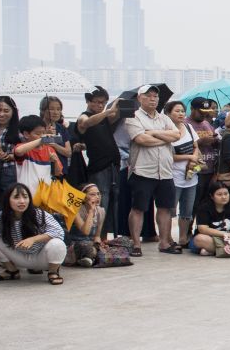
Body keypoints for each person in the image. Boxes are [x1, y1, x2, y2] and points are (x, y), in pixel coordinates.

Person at [123, 85, 179, 256]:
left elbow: (176, 135)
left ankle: (164, 242)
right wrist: (164, 138)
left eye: (155, 96)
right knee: (138, 208)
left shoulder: (164, 118)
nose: (153, 99)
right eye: (149, 96)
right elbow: (141, 139)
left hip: (165, 171)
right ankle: (136, 244)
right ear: (140, 98)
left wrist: (153, 132)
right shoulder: (133, 117)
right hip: (142, 170)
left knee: (165, 208)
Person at [0, 183, 67, 285]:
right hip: (19, 258)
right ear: (7, 200)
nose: (22, 201)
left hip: (42, 258)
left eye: (25, 197)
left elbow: (59, 232)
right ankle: (12, 271)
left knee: (57, 243)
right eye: (16, 197)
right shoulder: (1, 217)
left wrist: (33, 239)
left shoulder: (39, 214)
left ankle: (53, 272)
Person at [75, 87, 121, 236]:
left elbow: (114, 118)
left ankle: (106, 236)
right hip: (98, 167)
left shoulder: (104, 119)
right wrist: (107, 111)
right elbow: (85, 123)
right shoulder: (84, 116)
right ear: (88, 101)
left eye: (104, 103)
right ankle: (97, 237)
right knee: (100, 203)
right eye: (97, 102)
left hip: (113, 165)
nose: (100, 105)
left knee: (113, 203)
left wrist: (120, 109)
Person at [166, 101, 201, 250]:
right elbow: (168, 155)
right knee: (169, 210)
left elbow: (196, 147)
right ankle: (167, 238)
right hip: (173, 177)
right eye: (177, 111)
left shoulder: (188, 127)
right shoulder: (166, 130)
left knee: (187, 210)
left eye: (182, 111)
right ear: (168, 113)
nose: (181, 114)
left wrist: (193, 158)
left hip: (191, 176)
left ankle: (182, 238)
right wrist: (188, 158)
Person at [190, 182, 230, 256]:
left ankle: (213, 251)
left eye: (226, 194)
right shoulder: (204, 207)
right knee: (199, 239)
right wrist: (223, 234)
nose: (224, 197)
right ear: (212, 196)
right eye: (219, 194)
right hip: (210, 238)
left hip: (229, 239)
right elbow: (203, 229)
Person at [13, 115, 63, 188]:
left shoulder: (49, 149)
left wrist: (55, 161)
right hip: (27, 195)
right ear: (26, 134)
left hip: (45, 195)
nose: (42, 136)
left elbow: (58, 173)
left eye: (43, 133)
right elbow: (18, 151)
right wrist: (41, 140)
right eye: (38, 133)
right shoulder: (23, 147)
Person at [0, 95, 21, 202]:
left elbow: (27, 153)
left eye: (6, 111)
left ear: (13, 112)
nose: (1, 114)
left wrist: (9, 156)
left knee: (10, 200)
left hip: (12, 171)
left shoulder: (19, 130)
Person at [64, 183, 104, 267]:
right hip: (76, 245)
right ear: (84, 197)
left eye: (98, 194)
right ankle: (91, 257)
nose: (97, 197)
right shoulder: (75, 210)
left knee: (123, 242)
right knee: (85, 246)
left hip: (91, 245)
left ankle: (90, 257)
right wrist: (91, 211)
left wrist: (98, 245)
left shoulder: (101, 211)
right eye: (92, 194)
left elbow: (97, 236)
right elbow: (85, 231)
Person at [38, 96, 74, 179]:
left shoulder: (62, 128)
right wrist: (46, 134)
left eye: (58, 109)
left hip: (60, 170)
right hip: (43, 170)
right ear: (43, 110)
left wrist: (53, 144)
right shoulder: (37, 127)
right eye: (52, 109)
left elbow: (68, 152)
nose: (56, 112)